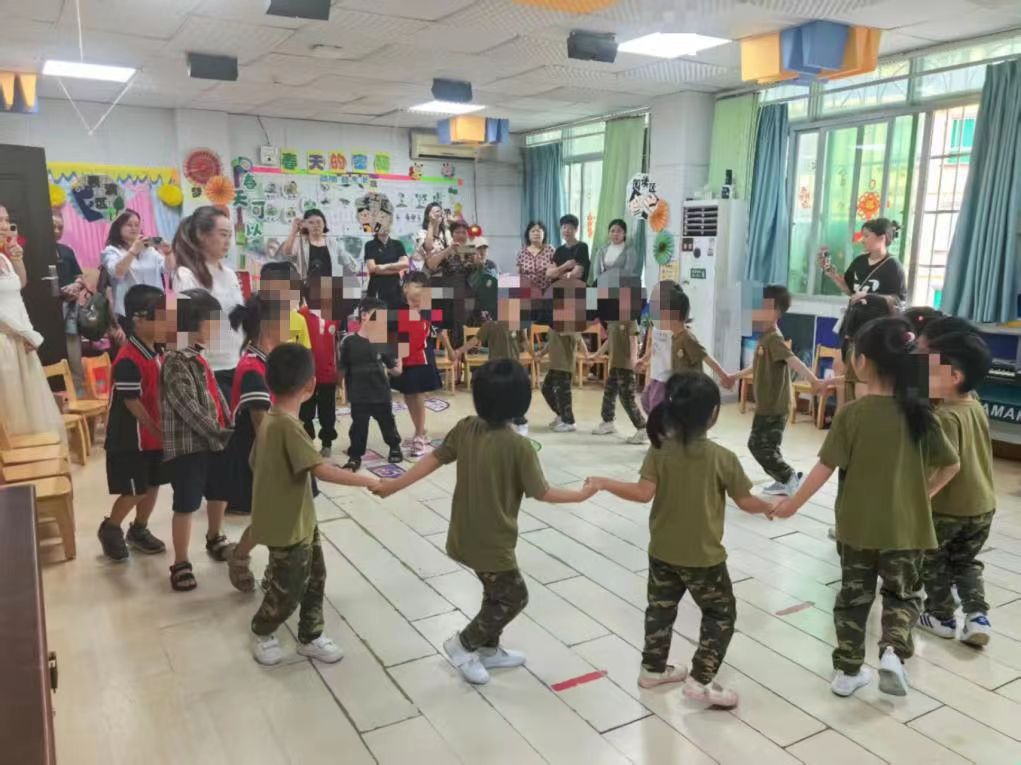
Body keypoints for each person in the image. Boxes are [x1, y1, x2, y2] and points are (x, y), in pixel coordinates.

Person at [372, 359, 595, 684]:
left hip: (464, 533)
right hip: (492, 541)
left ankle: (489, 650)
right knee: (514, 596)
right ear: (520, 401)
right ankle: (463, 644)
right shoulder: (519, 447)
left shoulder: (466, 427)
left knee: (494, 592)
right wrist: (581, 494)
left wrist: (395, 485)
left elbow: (433, 458)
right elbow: (543, 492)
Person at [771, 317, 960, 698]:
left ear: (861, 362)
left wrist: (792, 504)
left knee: (853, 600)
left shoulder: (852, 415)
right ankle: (891, 652)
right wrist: (922, 495)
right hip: (905, 530)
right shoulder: (921, 414)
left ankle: (847, 672)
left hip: (856, 529)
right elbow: (952, 465)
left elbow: (824, 468)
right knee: (902, 596)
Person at [585, 372, 775, 708]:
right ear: (713, 414)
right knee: (720, 614)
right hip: (704, 558)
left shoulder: (660, 450)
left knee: (659, 611)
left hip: (662, 552)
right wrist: (769, 507)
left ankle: (652, 670)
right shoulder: (722, 458)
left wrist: (604, 482)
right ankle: (701, 679)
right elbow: (746, 501)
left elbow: (642, 493)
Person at [249, 343, 381, 666]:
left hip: (300, 518)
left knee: (316, 576)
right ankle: (262, 630)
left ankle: (310, 635)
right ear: (310, 385)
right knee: (290, 586)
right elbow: (321, 470)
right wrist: (366, 480)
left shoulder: (270, 419)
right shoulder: (288, 426)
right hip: (286, 524)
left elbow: (254, 461)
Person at [918, 330, 996, 646]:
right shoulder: (975, 406)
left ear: (954, 377)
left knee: (932, 559)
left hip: (949, 508)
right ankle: (977, 616)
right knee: (966, 562)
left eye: (929, 369)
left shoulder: (944, 417)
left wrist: (922, 495)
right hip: (983, 506)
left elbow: (947, 466)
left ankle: (941, 616)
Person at [161, 289, 235, 592]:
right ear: (193, 323)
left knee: (219, 491)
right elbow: (187, 406)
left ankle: (215, 536)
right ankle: (180, 561)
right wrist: (217, 431)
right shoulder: (175, 360)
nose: (217, 328)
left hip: (215, 441)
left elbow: (216, 397)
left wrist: (229, 422)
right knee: (186, 503)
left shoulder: (200, 358)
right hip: (189, 446)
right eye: (213, 321)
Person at [97, 285, 170, 561]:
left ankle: (139, 529)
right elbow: (132, 402)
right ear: (139, 320)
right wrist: (156, 429)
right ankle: (111, 528)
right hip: (129, 439)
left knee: (153, 484)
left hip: (153, 437)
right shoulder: (128, 358)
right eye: (161, 318)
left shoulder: (157, 350)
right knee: (134, 490)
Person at [733, 286, 822, 497]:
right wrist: (734, 376)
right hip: (767, 404)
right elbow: (756, 366)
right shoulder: (766, 337)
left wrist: (813, 380)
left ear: (772, 312)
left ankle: (788, 477)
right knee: (769, 446)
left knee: (758, 445)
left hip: (775, 405)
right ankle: (782, 479)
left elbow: (794, 361)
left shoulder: (774, 338)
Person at [0, 204, 66, 441]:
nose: (5, 226)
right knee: (10, 405)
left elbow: (20, 288)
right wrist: (27, 333)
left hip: (19, 339)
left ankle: (34, 452)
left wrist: (16, 257)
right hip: (4, 341)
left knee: (28, 401)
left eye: (7, 220)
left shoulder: (4, 257)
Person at [172, 205, 244, 401]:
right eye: (222, 234)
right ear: (202, 235)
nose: (227, 241)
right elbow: (186, 329)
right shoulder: (185, 275)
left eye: (230, 235)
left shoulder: (230, 274)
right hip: (210, 368)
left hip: (236, 362)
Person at [454, 277, 530, 435]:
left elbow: (525, 341)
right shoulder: (490, 325)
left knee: (514, 396)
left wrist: (535, 355)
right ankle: (498, 423)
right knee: (498, 396)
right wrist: (459, 351)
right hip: (496, 369)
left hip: (513, 368)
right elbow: (475, 340)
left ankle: (520, 422)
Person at [339, 297, 403, 472]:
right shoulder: (348, 342)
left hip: (380, 392)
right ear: (364, 315)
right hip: (358, 394)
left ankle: (394, 446)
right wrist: (340, 387)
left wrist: (400, 360)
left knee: (387, 422)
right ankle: (355, 456)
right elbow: (342, 367)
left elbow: (394, 369)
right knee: (359, 426)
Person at [392, 272, 452, 457]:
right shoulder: (397, 309)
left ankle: (419, 435)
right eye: (416, 285)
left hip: (422, 358)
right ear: (405, 288)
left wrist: (451, 351)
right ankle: (420, 430)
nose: (420, 290)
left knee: (418, 395)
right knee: (408, 395)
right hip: (403, 359)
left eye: (423, 287)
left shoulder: (429, 310)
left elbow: (441, 331)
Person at [101, 209, 170, 343]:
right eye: (129, 225)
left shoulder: (149, 250)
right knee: (137, 349)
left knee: (160, 348)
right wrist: (134, 250)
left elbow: (168, 268)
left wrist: (169, 253)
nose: (134, 228)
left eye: (137, 225)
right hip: (129, 312)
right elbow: (118, 272)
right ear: (118, 227)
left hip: (156, 307)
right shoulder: (111, 251)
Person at [592, 283, 647, 444]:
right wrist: (596, 354)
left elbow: (633, 340)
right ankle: (608, 422)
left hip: (626, 366)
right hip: (615, 365)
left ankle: (642, 428)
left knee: (627, 398)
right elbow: (609, 341)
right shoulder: (612, 320)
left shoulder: (630, 319)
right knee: (609, 392)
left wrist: (634, 360)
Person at [818, 218, 907, 312]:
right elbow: (850, 290)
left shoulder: (893, 266)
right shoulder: (859, 261)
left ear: (881, 238)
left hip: (878, 320)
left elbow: (898, 302)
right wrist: (832, 274)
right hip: (856, 317)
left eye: (866, 236)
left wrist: (869, 297)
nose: (862, 240)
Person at [298, 276, 341, 457]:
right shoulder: (300, 315)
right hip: (305, 374)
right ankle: (307, 441)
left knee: (327, 411)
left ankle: (327, 442)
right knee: (305, 412)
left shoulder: (334, 317)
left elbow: (337, 344)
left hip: (327, 374)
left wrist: (340, 372)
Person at [538, 279, 589, 433]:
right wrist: (541, 354)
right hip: (555, 364)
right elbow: (551, 342)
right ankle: (561, 415)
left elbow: (579, 339)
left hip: (564, 365)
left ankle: (569, 422)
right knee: (546, 389)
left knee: (563, 394)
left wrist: (587, 357)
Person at [54, 214, 86, 392]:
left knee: (74, 353)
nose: (57, 231)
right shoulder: (34, 251)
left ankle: (79, 393)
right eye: (53, 226)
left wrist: (76, 286)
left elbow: (79, 276)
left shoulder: (66, 250)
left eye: (60, 227)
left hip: (70, 310)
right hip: (47, 311)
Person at [282, 209, 339, 279]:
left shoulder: (332, 241)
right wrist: (294, 230)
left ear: (324, 224)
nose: (315, 225)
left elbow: (346, 259)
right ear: (305, 225)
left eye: (318, 222)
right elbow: (287, 252)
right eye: (311, 222)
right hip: (307, 284)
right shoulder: (301, 241)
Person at [364, 224, 408, 308]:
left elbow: (405, 263)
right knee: (378, 314)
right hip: (377, 288)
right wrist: (396, 268)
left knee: (395, 314)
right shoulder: (370, 245)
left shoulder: (397, 244)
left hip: (395, 288)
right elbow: (373, 268)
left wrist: (384, 267)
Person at [590, 219, 641, 286]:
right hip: (603, 284)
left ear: (624, 233)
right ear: (609, 233)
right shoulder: (602, 250)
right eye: (612, 231)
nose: (615, 234)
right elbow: (596, 272)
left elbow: (627, 273)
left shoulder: (630, 250)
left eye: (619, 231)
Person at [516, 221, 556, 296]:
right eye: (533, 231)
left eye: (539, 231)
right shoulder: (522, 252)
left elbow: (555, 271)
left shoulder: (550, 249)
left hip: (546, 291)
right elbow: (518, 273)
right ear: (528, 235)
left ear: (544, 234)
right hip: (527, 291)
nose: (536, 233)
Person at [549, 214, 590, 283]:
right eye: (564, 227)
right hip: (557, 287)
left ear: (576, 230)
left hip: (574, 287)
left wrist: (557, 273)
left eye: (570, 228)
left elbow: (576, 274)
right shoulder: (559, 250)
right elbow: (549, 274)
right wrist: (565, 266)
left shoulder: (582, 247)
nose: (566, 231)